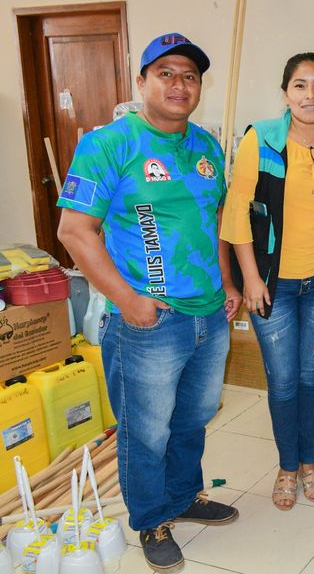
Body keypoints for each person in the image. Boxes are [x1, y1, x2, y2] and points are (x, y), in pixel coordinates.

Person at [57, 32, 241, 574]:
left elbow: (213, 222)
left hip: (209, 313)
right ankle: (151, 518)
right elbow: (74, 231)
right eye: (166, 73)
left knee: (194, 417)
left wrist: (228, 283)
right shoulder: (109, 145)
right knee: (146, 429)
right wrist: (128, 301)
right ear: (141, 82)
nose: (179, 84)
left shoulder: (206, 146)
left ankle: (183, 496)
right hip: (148, 320)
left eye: (190, 75)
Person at [220, 53, 314, 510]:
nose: (310, 95)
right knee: (283, 381)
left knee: (310, 376)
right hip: (272, 283)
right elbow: (237, 212)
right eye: (300, 85)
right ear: (285, 93)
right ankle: (287, 467)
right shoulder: (260, 139)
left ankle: (309, 460)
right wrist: (250, 278)